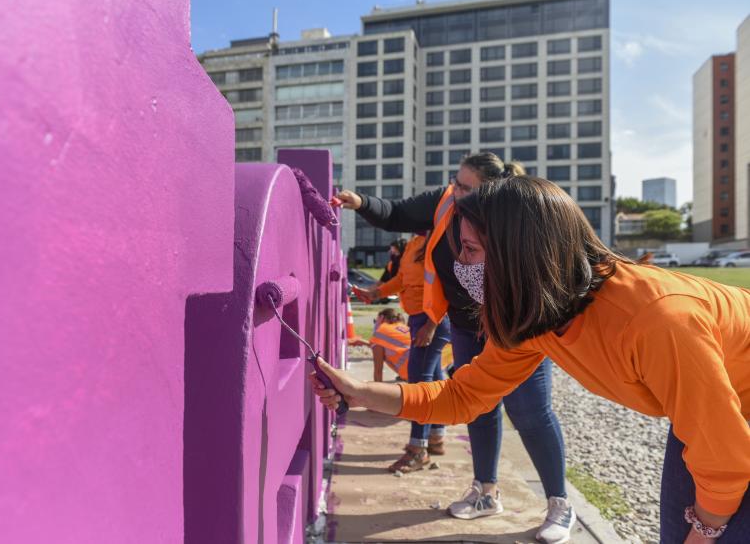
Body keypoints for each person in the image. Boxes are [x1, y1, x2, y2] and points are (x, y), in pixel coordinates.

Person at [313, 176, 750, 543]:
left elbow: (727, 464)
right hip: (718, 419)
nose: (460, 265)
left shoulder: (656, 320)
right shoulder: (539, 317)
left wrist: (707, 531)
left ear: (520, 254)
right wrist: (361, 392)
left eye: (470, 250)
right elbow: (464, 396)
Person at [333, 153, 572, 542]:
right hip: (466, 327)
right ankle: (485, 492)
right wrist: (358, 202)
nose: (455, 191)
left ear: (491, 193)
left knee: (530, 412)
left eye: (465, 187)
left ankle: (560, 503)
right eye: (454, 181)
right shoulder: (446, 202)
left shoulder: (513, 215)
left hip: (517, 328)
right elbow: (396, 213)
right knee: (477, 406)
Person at [358, 235, 452, 472]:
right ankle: (435, 437)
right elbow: (402, 279)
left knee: (420, 384)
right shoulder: (414, 244)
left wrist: (431, 325)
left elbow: (446, 285)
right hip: (420, 318)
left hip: (431, 319)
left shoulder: (437, 240)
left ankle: (418, 449)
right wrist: (375, 293)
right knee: (434, 377)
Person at [368, 308, 411, 383]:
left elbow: (378, 371)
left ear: (381, 318)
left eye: (375, 321)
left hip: (414, 370)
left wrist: (376, 393)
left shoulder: (381, 332)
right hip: (433, 363)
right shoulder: (402, 327)